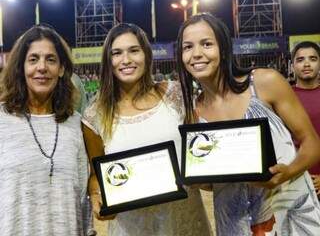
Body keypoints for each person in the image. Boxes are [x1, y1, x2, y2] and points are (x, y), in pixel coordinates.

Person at [176, 13, 320, 235]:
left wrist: (288, 171)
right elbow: (215, 181)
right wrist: (197, 180)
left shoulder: (264, 82)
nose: (196, 54)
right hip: (235, 222)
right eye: (187, 47)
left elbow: (312, 142)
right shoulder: (193, 113)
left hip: (288, 213)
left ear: (223, 48)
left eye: (206, 44)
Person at [82, 23, 211, 236]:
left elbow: (199, 152)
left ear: (146, 54)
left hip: (184, 223)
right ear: (108, 60)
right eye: (117, 53)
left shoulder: (176, 95)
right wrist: (97, 196)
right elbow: (96, 175)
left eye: (134, 50)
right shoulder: (94, 115)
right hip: (131, 227)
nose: (126, 60)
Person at [0, 25, 89, 235]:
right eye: (33, 59)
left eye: (51, 59)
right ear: (20, 67)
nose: (42, 67)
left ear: (61, 69)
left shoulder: (76, 124)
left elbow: (82, 195)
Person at [292, 41, 320, 198]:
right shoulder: (283, 98)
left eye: (313, 59)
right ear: (293, 65)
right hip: (293, 182)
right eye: (300, 59)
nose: (307, 64)